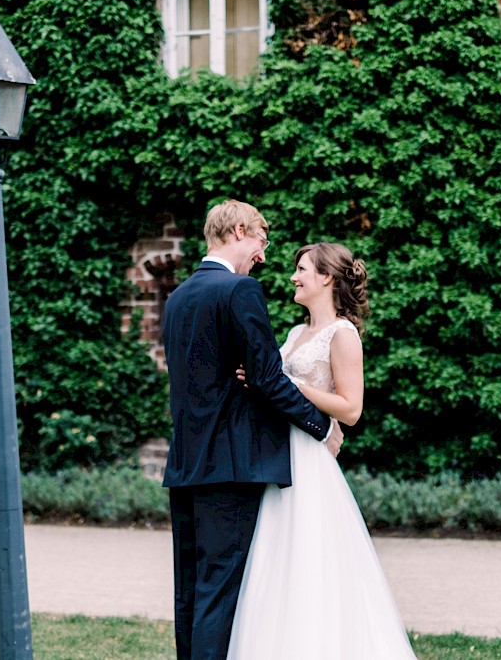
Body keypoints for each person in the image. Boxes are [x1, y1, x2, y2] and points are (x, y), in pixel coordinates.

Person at [162, 200, 344, 660]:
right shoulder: (240, 290)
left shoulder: (178, 297)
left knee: (189, 591)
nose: (263, 254)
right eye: (262, 240)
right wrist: (321, 428)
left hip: (184, 466)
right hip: (231, 468)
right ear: (240, 231)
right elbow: (264, 377)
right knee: (219, 592)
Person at [227, 242, 418, 660]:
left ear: (327, 278)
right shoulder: (296, 333)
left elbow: (351, 409)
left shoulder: (343, 334)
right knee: (278, 560)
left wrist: (291, 386)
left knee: (312, 557)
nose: (293, 277)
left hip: (310, 462)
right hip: (280, 456)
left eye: (301, 269)